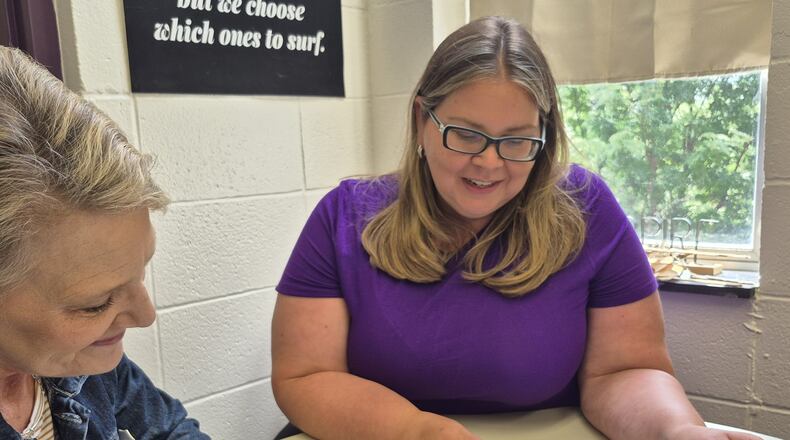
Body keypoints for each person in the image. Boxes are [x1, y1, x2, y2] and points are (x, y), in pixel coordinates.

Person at [271, 16, 760, 440]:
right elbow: (305, 376)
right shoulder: (344, 216)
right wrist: (418, 432)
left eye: (517, 140)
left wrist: (674, 431)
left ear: (544, 139)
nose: (487, 162)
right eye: (465, 134)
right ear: (423, 119)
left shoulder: (588, 209)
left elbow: (626, 370)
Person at [0, 47, 210, 439]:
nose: (145, 316)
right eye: (94, 305)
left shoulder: (81, 363)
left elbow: (171, 431)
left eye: (141, 272)